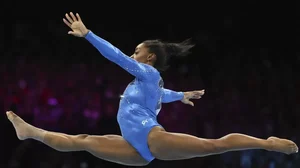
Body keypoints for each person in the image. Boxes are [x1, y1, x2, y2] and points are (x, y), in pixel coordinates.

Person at [7, 12, 298, 166]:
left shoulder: (145, 71)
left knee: (214, 145)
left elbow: (117, 56)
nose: (133, 56)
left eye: (137, 52)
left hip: (149, 138)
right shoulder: (147, 82)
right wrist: (181, 95)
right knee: (81, 139)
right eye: (134, 52)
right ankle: (30, 132)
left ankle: (267, 142)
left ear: (149, 58)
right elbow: (162, 95)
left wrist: (89, 35)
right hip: (135, 149)